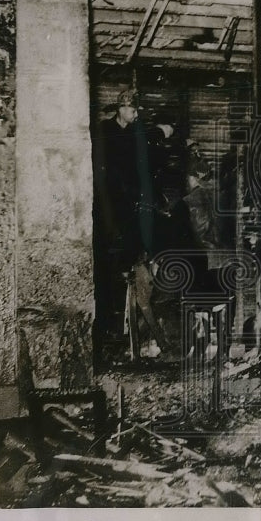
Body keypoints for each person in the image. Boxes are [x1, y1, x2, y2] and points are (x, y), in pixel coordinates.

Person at [93, 88, 157, 345]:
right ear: (121, 109)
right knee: (106, 255)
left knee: (130, 253)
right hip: (106, 198)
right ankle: (106, 322)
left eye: (137, 109)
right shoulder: (104, 130)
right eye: (132, 109)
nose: (136, 113)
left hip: (129, 199)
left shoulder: (136, 133)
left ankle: (125, 321)